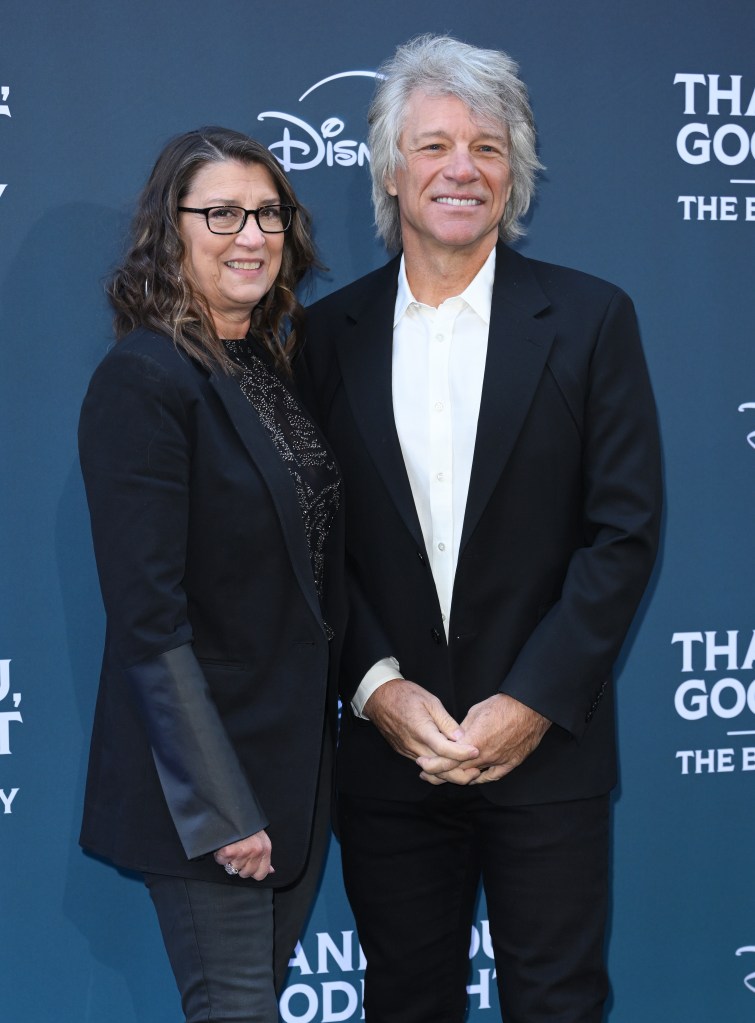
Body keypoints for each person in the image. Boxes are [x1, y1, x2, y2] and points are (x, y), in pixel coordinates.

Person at [304, 34, 662, 1023]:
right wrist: (375, 689)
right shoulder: (322, 338)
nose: (462, 167)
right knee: (406, 1004)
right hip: (388, 757)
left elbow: (623, 530)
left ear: (515, 175)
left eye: (488, 148)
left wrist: (531, 702)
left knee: (556, 1003)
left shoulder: (590, 321)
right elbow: (312, 546)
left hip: (545, 756)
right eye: (433, 145)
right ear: (387, 170)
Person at [78, 126, 344, 1023]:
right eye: (221, 212)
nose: (251, 234)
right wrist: (224, 807)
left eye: (267, 212)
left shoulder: (264, 366)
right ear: (172, 230)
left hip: (291, 774)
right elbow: (148, 618)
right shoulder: (144, 376)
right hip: (208, 794)